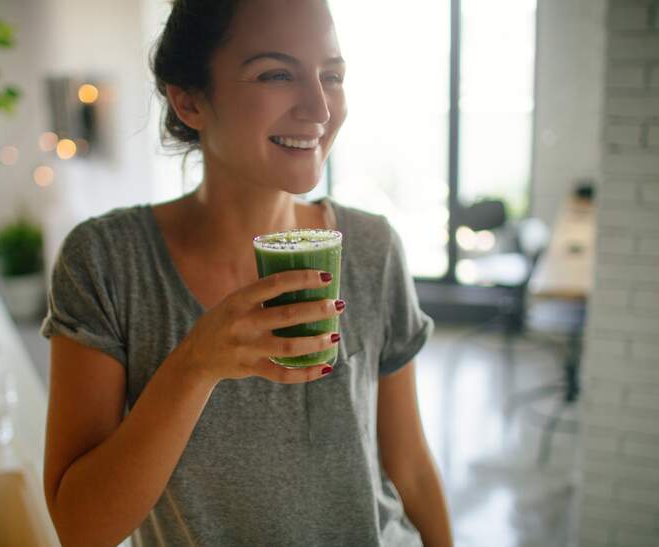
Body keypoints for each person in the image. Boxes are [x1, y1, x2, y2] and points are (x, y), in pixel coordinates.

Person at [40, 0, 453, 545]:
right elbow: (80, 527)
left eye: (332, 75)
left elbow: (410, 464)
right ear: (188, 99)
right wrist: (194, 366)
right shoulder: (106, 262)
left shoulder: (373, 247)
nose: (319, 107)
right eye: (277, 73)